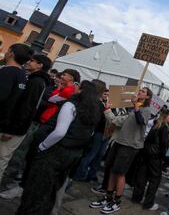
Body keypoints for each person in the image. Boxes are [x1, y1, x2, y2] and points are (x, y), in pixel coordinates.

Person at [16, 80, 101, 215]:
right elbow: (89, 133)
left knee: (36, 191)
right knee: (50, 190)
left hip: (55, 152)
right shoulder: (93, 109)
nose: (74, 87)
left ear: (82, 91)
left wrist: (43, 146)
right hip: (71, 155)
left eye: (77, 86)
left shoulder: (71, 105)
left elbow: (60, 132)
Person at [89, 87, 152, 214]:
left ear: (147, 97)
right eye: (140, 90)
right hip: (120, 141)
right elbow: (121, 122)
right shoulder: (132, 108)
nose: (140, 92)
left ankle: (116, 202)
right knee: (112, 169)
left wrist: (136, 106)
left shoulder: (146, 110)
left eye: (143, 92)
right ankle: (108, 197)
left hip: (130, 146)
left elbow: (141, 122)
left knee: (120, 173)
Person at [0, 54, 52, 185]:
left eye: (33, 61)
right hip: (16, 127)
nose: (29, 62)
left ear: (40, 65)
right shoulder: (37, 79)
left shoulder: (36, 81)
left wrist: (12, 129)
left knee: (2, 158)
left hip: (15, 129)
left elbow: (26, 107)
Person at [0, 43, 33, 183]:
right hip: (8, 125)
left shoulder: (6, 72)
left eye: (8, 50)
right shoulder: (23, 76)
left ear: (11, 53)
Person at [132, 109, 169, 210]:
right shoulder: (163, 127)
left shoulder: (157, 124)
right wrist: (165, 159)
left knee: (142, 176)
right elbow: (163, 145)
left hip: (146, 153)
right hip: (155, 156)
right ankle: (148, 203)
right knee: (155, 180)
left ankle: (136, 198)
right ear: (166, 116)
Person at [72, 82, 108, 182]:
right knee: (91, 154)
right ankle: (80, 174)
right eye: (105, 91)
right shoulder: (98, 104)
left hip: (94, 132)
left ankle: (83, 174)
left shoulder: (94, 102)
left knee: (93, 154)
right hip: (95, 132)